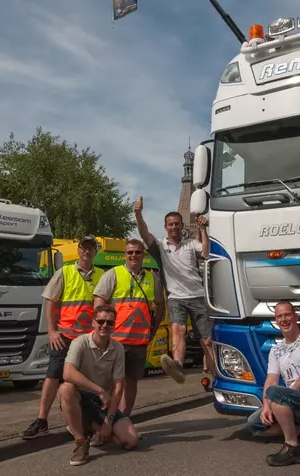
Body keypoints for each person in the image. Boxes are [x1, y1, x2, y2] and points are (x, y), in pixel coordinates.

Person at [22, 236, 104, 440]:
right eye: (84, 247)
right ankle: (42, 420)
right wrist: (52, 330)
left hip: (89, 340)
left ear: (96, 251)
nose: (87, 251)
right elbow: (49, 299)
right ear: (78, 250)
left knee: (89, 380)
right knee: (52, 375)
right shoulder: (65, 272)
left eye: (91, 248)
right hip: (65, 336)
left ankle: (87, 421)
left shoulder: (102, 275)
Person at [134, 196, 216, 382]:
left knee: (207, 341)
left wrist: (203, 229)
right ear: (165, 227)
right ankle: (178, 365)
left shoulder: (190, 245)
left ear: (182, 226)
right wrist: (138, 215)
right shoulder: (161, 246)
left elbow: (205, 252)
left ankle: (218, 376)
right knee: (177, 328)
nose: (174, 227)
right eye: (170, 224)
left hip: (197, 295)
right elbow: (144, 234)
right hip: (176, 297)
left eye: (177, 224)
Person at [246, 301, 300, 466]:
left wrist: (283, 397)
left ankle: (293, 447)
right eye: (279, 316)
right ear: (276, 320)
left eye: (287, 315)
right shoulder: (276, 350)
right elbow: (271, 379)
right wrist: (266, 407)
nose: (284, 319)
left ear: (296, 317)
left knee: (276, 394)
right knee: (254, 424)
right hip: (292, 401)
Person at [92, 239, 165, 423]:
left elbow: (160, 304)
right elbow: (99, 303)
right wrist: (102, 331)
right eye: (130, 252)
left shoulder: (152, 278)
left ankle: (124, 419)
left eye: (138, 252)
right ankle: (104, 422)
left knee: (131, 382)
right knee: (109, 383)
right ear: (125, 254)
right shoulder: (113, 274)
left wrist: (153, 331)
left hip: (139, 342)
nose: (133, 256)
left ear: (143, 255)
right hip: (115, 340)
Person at [59, 304, 139, 466]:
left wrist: (108, 424)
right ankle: (80, 441)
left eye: (109, 323)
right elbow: (67, 373)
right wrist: (100, 390)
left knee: (131, 441)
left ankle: (91, 426)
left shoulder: (118, 348)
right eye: (101, 321)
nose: (104, 325)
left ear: (114, 325)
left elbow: (118, 387)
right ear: (93, 323)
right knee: (66, 388)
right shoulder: (79, 343)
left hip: (103, 404)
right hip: (79, 398)